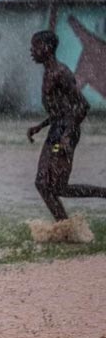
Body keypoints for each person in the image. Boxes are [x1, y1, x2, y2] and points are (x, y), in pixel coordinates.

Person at [27, 30, 106, 221]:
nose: (32, 51)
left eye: (35, 46)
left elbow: (82, 105)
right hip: (57, 131)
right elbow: (61, 110)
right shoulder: (48, 72)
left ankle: (102, 194)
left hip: (64, 135)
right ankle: (65, 227)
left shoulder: (60, 73)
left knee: (57, 187)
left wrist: (67, 136)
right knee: (42, 184)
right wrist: (41, 126)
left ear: (47, 48)